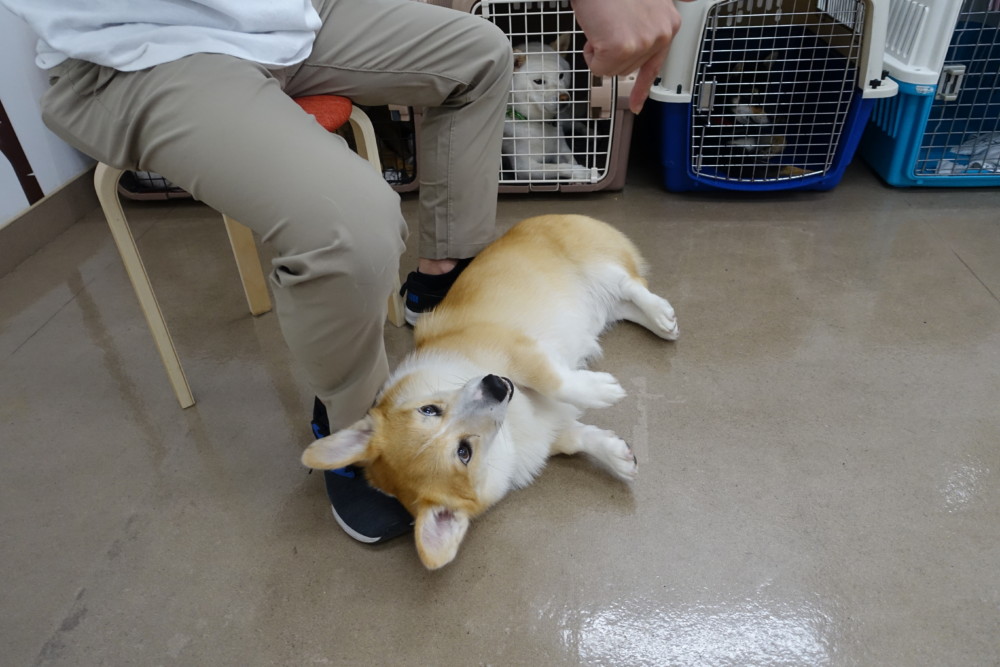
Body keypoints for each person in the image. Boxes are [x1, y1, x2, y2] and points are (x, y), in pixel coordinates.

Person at [2, 0, 691, 544]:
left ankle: (440, 281)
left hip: (285, 14)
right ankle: (360, 422)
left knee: (482, 55)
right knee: (351, 224)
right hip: (137, 43)